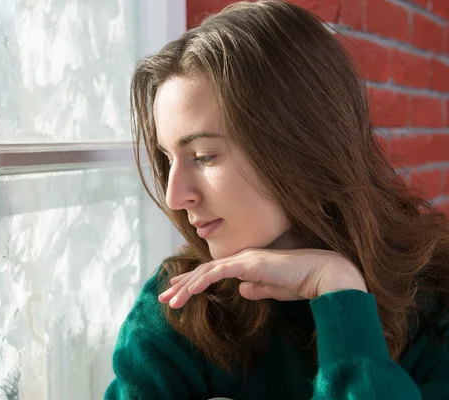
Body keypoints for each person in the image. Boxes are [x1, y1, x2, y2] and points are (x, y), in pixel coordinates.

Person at [105, 1, 449, 399]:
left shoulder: (434, 305)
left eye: (204, 156)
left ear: (300, 144)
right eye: (168, 159)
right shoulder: (175, 309)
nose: (174, 195)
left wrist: (339, 292)